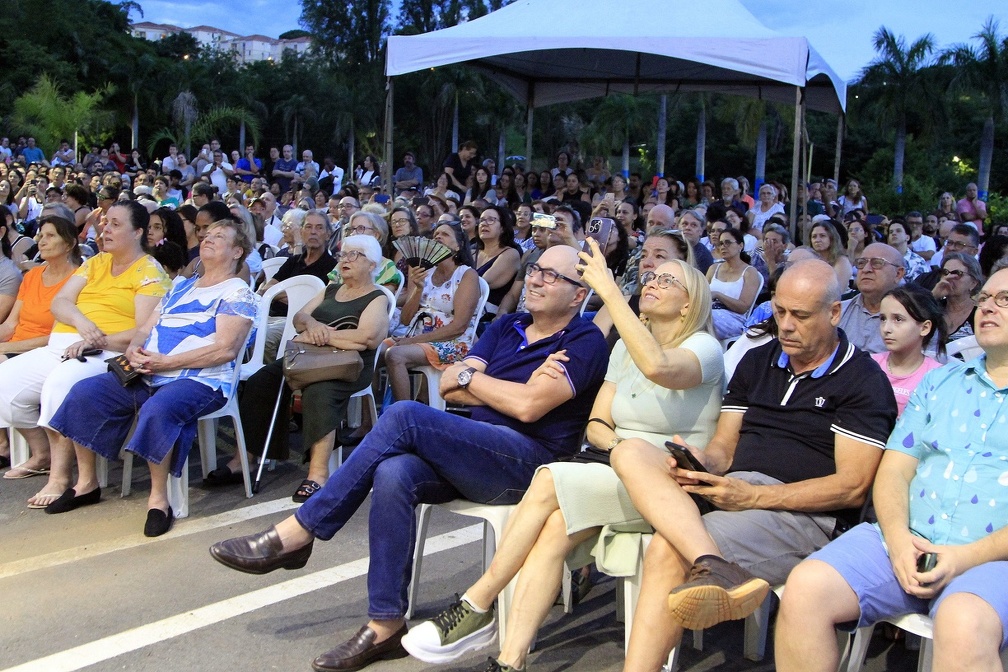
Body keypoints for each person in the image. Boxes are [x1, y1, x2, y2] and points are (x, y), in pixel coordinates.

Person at [209, 245, 609, 672]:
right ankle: (385, 624)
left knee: (404, 415)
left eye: (552, 276)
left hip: (529, 464)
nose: (535, 279)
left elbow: (528, 409)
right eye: (536, 270)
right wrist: (493, 384)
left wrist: (479, 381)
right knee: (393, 470)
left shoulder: (584, 341)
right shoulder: (507, 325)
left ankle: (300, 531)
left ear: (578, 294)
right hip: (475, 450)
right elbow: (452, 386)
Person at [402, 247, 723, 671]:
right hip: (617, 469)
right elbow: (597, 424)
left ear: (689, 304)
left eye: (668, 280)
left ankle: (478, 601)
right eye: (650, 277)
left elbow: (659, 367)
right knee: (554, 528)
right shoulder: (625, 349)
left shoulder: (704, 348)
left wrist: (609, 291)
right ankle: (510, 661)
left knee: (549, 479)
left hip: (672, 482)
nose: (652, 283)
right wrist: (624, 451)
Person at [609, 258, 897, 671]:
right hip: (735, 490)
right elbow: (724, 448)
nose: (786, 325)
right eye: (779, 311)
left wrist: (753, 497)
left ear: (834, 313)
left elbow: (851, 487)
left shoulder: (862, 380)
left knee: (667, 549)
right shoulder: (758, 360)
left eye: (800, 315)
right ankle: (713, 563)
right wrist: (702, 462)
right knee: (631, 451)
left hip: (802, 513)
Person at [776, 267, 1008, 672]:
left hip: (993, 559)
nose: (987, 307)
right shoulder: (941, 382)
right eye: (985, 298)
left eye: (1004, 300)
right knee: (806, 587)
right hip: (907, 540)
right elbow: (894, 472)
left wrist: (964, 557)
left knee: (963, 623)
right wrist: (899, 542)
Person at [45, 220, 257, 532]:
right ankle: (87, 483)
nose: (208, 239)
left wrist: (166, 363)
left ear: (237, 251)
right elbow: (145, 330)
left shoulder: (237, 292)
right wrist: (134, 350)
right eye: (207, 235)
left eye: (219, 237)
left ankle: (159, 499)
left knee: (158, 409)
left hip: (202, 380)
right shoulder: (180, 287)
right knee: (84, 392)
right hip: (150, 371)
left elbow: (225, 349)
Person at [0, 201, 170, 508]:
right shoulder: (95, 262)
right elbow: (60, 303)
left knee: (60, 385)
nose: (106, 229)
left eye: (116, 224)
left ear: (137, 232)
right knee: (4, 382)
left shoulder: (149, 271)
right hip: (63, 344)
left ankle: (61, 476)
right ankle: (44, 453)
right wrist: (81, 322)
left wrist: (95, 340)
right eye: (106, 223)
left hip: (107, 352)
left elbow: (144, 330)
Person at [208, 235, 390, 500]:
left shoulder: (377, 298)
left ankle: (318, 474)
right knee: (262, 380)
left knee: (320, 391)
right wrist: (313, 326)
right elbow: (300, 317)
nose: (345, 260)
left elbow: (367, 338)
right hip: (309, 358)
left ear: (372, 264)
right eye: (343, 254)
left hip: (348, 366)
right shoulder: (330, 289)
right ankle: (244, 459)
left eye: (354, 255)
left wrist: (319, 335)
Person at [384, 222, 480, 401]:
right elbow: (405, 320)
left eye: (445, 234)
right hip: (416, 336)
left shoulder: (466, 275)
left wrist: (412, 341)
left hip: (453, 342)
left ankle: (404, 412)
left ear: (458, 246)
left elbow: (459, 327)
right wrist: (418, 289)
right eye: (436, 234)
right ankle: (367, 411)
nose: (438, 237)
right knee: (375, 350)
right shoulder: (426, 272)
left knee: (395, 355)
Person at [871, 285, 946, 415]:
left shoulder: (938, 377)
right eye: (883, 319)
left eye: (898, 319)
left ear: (925, 328)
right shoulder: (868, 365)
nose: (886, 329)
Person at [838, 243, 907, 354]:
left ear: (898, 274)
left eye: (877, 263)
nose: (866, 269)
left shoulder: (914, 317)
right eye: (861, 263)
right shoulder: (838, 311)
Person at [708, 228, 761, 341]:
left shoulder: (749, 272)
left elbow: (743, 307)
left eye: (727, 242)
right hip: (710, 312)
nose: (723, 246)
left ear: (740, 246)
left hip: (734, 319)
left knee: (703, 320)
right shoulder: (713, 269)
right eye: (721, 243)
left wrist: (718, 295)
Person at [474, 205, 521, 321]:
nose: (484, 224)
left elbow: (482, 283)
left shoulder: (510, 254)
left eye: (491, 220)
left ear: (503, 228)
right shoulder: (472, 252)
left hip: (486, 317)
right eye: (482, 220)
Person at [932, 252, 984, 343]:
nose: (948, 277)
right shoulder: (932, 308)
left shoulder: (980, 314)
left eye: (957, 273)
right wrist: (933, 296)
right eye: (945, 272)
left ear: (973, 283)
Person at [810, 218, 853, 289]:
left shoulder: (842, 261)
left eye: (822, 236)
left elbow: (838, 289)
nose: (817, 240)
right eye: (814, 237)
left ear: (832, 238)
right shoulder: (809, 259)